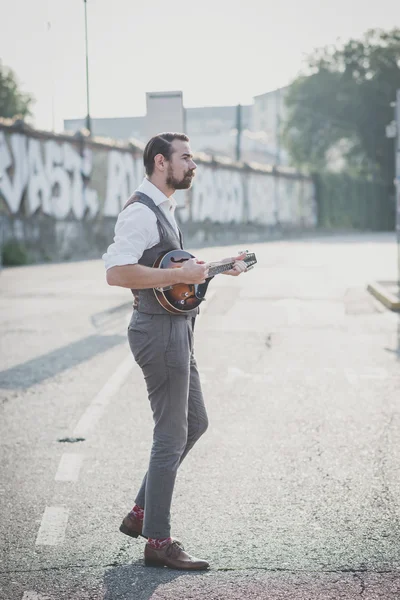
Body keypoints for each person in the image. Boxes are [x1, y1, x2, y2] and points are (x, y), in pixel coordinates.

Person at [102, 132, 247, 570]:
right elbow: (117, 273)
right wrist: (176, 276)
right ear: (161, 162)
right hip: (158, 334)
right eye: (186, 157)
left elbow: (175, 276)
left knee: (195, 422)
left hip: (176, 328)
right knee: (170, 434)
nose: (193, 164)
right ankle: (158, 541)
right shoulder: (140, 214)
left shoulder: (164, 208)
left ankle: (143, 512)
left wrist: (216, 269)